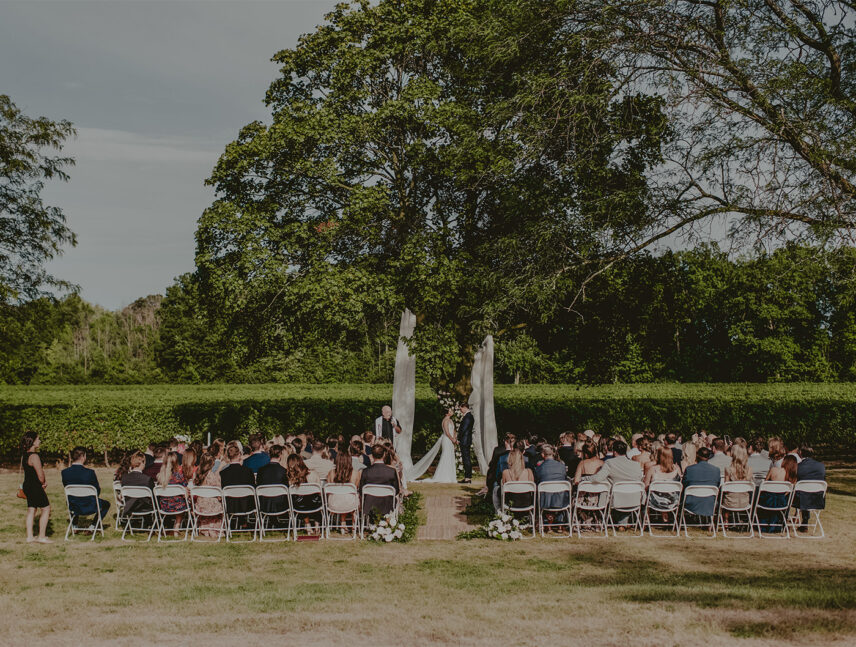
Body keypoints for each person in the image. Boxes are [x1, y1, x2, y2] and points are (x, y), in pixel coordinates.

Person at [62, 446, 111, 524]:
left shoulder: (64, 472)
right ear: (82, 456)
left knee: (73, 497)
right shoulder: (90, 472)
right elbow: (97, 490)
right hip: (89, 505)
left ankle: (74, 525)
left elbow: (66, 487)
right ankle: (93, 526)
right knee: (106, 504)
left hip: (73, 505)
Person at [20, 432, 51, 544]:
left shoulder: (25, 455)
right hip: (35, 486)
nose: (40, 441)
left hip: (27, 485)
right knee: (46, 508)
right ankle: (41, 537)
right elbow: (40, 474)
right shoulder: (34, 456)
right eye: (38, 439)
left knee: (31, 509)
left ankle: (30, 537)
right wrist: (43, 482)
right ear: (32, 441)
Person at [359, 445, 400, 517]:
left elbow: (361, 490)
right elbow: (396, 490)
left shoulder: (366, 471)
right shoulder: (391, 471)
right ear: (384, 455)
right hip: (387, 505)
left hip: (370, 505)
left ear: (372, 456)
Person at [326, 451, 361, 531]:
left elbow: (329, 489)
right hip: (350, 504)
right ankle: (353, 523)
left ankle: (343, 522)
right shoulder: (355, 473)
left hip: (334, 504)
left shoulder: (331, 473)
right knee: (350, 496)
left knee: (341, 496)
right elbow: (356, 488)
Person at [219, 442, 256, 516]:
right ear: (239, 455)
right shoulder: (248, 471)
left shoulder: (223, 473)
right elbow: (253, 487)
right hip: (246, 505)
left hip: (230, 506)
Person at [681, 446, 720, 517]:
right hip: (710, 502)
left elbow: (684, 484)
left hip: (692, 502)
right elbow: (717, 485)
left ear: (697, 456)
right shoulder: (716, 470)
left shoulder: (690, 469)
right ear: (708, 457)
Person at [535, 444, 569, 524]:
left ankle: (547, 521)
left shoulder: (539, 468)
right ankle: (561, 522)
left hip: (545, 501)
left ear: (543, 455)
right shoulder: (562, 466)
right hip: (561, 499)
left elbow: (537, 480)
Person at [288, 454, 322, 533]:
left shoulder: (291, 479)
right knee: (315, 498)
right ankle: (317, 524)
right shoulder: (313, 473)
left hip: (300, 507)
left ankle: (308, 524)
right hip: (315, 505)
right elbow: (319, 492)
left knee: (301, 500)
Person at [794, 445, 826, 529]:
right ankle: (805, 520)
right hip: (817, 498)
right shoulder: (821, 466)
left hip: (800, 499)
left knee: (800, 492)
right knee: (805, 492)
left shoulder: (798, 466)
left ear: (800, 453)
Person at [156, 452, 188, 535]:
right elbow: (185, 491)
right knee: (182, 502)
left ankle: (165, 527)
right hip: (178, 507)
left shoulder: (160, 477)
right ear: (176, 463)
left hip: (164, 506)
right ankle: (176, 528)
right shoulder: (179, 476)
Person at [192, 454, 223, 538]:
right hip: (212, 506)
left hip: (200, 505)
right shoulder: (213, 476)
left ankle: (205, 529)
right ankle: (213, 529)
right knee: (218, 503)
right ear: (212, 463)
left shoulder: (196, 474)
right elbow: (219, 493)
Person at [425, 408, 457, 483]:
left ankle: (450, 476)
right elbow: (447, 432)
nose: (452, 412)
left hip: (451, 440)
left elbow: (454, 430)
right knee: (446, 455)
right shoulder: (445, 420)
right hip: (447, 440)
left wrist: (455, 438)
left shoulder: (451, 420)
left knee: (450, 456)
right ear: (446, 413)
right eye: (450, 411)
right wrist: (452, 439)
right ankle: (443, 475)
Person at [120, 451, 155, 518]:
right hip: (145, 508)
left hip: (130, 507)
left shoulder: (124, 478)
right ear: (142, 463)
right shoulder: (147, 479)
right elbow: (153, 497)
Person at [722, 444, 753, 514]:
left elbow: (726, 489)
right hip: (744, 502)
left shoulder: (728, 469)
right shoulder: (749, 470)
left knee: (723, 495)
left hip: (730, 503)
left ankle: (725, 520)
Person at [487, 433, 515, 510]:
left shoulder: (499, 453)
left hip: (503, 480)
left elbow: (493, 466)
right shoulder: (520, 455)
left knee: (496, 485)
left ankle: (498, 510)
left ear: (505, 441)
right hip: (518, 482)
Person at [457, 403, 474, 483]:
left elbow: (463, 429)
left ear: (464, 407)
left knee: (466, 458)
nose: (460, 410)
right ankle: (467, 477)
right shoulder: (468, 416)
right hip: (466, 440)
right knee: (466, 458)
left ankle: (468, 478)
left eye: (461, 409)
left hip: (465, 440)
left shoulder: (468, 417)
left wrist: (458, 438)